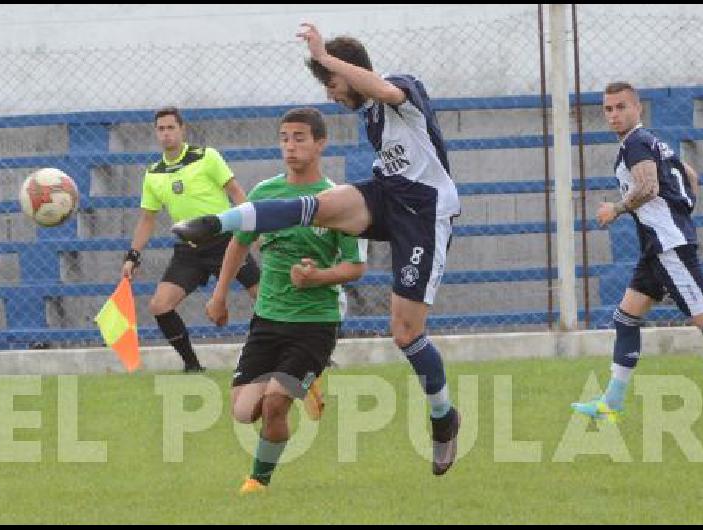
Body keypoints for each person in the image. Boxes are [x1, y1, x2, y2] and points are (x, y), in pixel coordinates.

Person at [172, 23, 462, 475]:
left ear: (346, 70)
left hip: (425, 215)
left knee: (405, 332)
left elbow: (382, 88)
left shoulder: (403, 88)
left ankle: (444, 419)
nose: (330, 95)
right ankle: (215, 223)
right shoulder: (370, 115)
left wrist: (324, 57)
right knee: (313, 207)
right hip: (388, 195)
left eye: (331, 84)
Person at [206, 108, 366, 493]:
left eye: (299, 138)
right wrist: (220, 294)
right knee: (244, 412)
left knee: (276, 402)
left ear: (320, 143)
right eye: (284, 138)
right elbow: (238, 245)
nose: (290, 146)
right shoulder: (264, 194)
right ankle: (304, 384)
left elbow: (354, 267)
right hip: (268, 319)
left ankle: (258, 480)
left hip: (315, 323)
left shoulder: (337, 201)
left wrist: (316, 278)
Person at [572, 82, 703, 422]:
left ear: (638, 108)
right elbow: (691, 176)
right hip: (657, 247)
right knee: (625, 318)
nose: (614, 114)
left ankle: (612, 401)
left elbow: (649, 186)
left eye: (621, 107)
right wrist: (681, 212)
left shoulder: (636, 143)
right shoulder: (653, 141)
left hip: (668, 247)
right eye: (608, 109)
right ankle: (612, 401)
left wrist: (618, 209)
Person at [122, 107, 260, 372]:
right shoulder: (153, 173)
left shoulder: (206, 157)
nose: (165, 134)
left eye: (170, 127)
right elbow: (147, 219)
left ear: (182, 129)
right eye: (160, 129)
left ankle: (283, 355)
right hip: (189, 250)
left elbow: (236, 192)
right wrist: (132, 256)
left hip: (225, 243)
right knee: (159, 306)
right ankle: (192, 366)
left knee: (265, 297)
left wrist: (254, 227)